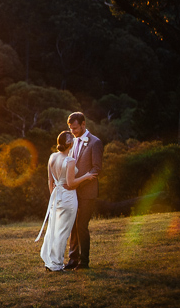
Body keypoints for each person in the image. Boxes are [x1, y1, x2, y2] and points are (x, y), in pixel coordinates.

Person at [36, 130, 97, 271]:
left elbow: (50, 181)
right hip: (69, 199)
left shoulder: (52, 157)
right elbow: (71, 184)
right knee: (63, 232)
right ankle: (56, 265)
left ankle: (50, 262)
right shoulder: (70, 161)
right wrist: (86, 176)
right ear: (69, 143)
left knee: (55, 230)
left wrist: (55, 197)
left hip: (56, 197)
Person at [64, 112, 103, 270]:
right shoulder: (73, 142)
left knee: (81, 226)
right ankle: (72, 259)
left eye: (75, 128)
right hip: (73, 192)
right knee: (73, 225)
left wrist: (78, 182)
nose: (73, 131)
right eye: (71, 128)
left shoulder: (95, 143)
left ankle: (84, 262)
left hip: (87, 193)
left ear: (83, 124)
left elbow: (96, 169)